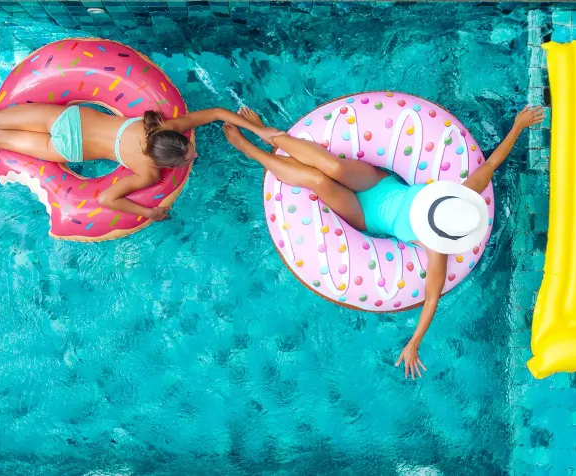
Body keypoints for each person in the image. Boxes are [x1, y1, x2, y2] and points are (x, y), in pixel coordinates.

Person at [223, 105, 545, 380]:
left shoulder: (437, 248)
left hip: (363, 214)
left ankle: (250, 150)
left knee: (320, 181)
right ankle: (261, 130)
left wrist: (414, 342)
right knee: (332, 166)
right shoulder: (461, 198)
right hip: (377, 182)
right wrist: (517, 126)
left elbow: (432, 298)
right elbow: (490, 164)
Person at [0, 104, 279, 221]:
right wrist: (149, 214)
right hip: (67, 148)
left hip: (67, 120)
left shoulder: (161, 125)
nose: (195, 153)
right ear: (168, 161)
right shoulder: (147, 171)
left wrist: (256, 129)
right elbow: (109, 198)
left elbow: (214, 113)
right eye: (191, 154)